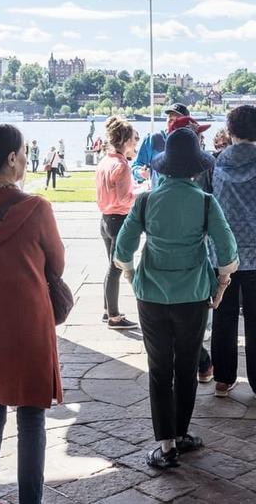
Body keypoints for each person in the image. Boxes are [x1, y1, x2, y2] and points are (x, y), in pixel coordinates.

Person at [114, 127, 238, 469]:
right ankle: (181, 432)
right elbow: (227, 253)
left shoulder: (146, 200)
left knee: (159, 368)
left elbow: (123, 250)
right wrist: (222, 283)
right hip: (194, 295)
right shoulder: (204, 202)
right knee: (186, 366)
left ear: (163, 167)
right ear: (197, 169)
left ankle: (166, 445)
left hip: (151, 293)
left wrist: (130, 273)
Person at [0, 125, 63, 504]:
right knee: (32, 416)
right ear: (12, 158)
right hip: (28, 317)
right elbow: (58, 263)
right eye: (22, 152)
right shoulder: (37, 208)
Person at [211, 106, 256, 399]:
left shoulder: (215, 162)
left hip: (222, 250)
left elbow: (209, 203)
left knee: (223, 315)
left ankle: (224, 378)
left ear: (231, 129)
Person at [94, 116, 142, 330]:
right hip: (119, 219)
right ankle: (114, 316)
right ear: (125, 140)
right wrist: (143, 191)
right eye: (134, 138)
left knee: (111, 266)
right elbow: (125, 198)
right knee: (116, 267)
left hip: (105, 219)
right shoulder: (122, 165)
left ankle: (107, 310)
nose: (135, 142)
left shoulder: (105, 161)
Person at [131, 103, 191, 183]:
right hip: (159, 193)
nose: (172, 120)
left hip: (185, 192)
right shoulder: (152, 139)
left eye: (177, 118)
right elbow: (137, 166)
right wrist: (141, 173)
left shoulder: (192, 141)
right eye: (170, 117)